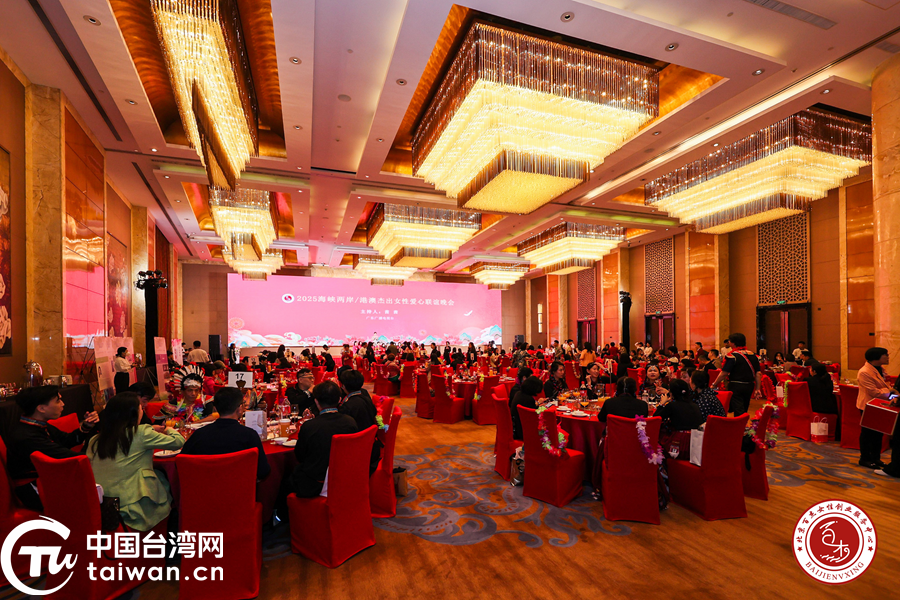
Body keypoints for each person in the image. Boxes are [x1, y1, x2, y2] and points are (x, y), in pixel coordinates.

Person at [86, 392, 184, 531]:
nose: (142, 411)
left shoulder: (95, 440)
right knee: (168, 484)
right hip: (133, 504)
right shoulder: (141, 433)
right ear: (132, 414)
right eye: (141, 408)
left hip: (102, 503)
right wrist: (169, 429)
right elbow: (178, 441)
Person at [6, 386, 99, 509]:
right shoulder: (27, 436)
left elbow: (67, 440)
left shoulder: (37, 424)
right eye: (57, 401)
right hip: (34, 490)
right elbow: (70, 457)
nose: (63, 404)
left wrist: (86, 426)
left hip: (49, 477)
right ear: (41, 408)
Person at [180, 387, 270, 480]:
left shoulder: (199, 435)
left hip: (204, 486)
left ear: (215, 409)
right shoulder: (249, 435)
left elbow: (181, 464)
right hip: (240, 487)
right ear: (240, 409)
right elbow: (263, 471)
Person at [288, 381, 359, 497]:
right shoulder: (350, 422)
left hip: (316, 483)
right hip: (346, 477)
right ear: (339, 399)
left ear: (316, 401)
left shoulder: (309, 426)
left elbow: (300, 456)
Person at [856, 347, 898, 470]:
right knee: (867, 433)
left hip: (880, 405)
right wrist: (891, 391)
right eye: (886, 355)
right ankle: (864, 458)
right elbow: (874, 392)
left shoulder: (880, 369)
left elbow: (885, 385)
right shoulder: (864, 372)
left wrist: (889, 390)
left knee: (878, 433)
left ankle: (875, 458)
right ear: (876, 357)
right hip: (868, 405)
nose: (888, 357)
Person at [338, 369, 382, 474]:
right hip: (371, 445)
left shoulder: (347, 406)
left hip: (359, 451)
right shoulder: (366, 399)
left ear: (343, 386)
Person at [712, 333, 761, 417]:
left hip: (736, 385)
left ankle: (740, 423)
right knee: (745, 407)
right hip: (749, 385)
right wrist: (758, 388)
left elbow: (724, 373)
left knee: (738, 409)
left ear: (733, 343)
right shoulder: (754, 355)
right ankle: (743, 422)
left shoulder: (732, 356)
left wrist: (714, 384)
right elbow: (758, 373)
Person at [510, 376, 542, 440]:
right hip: (523, 431)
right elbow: (534, 414)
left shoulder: (518, 393)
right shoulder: (528, 399)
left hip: (515, 427)